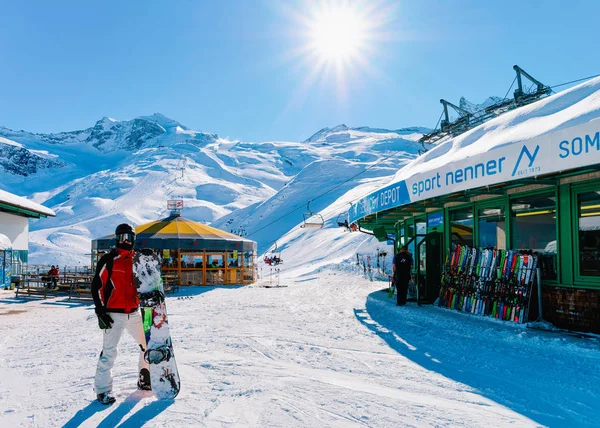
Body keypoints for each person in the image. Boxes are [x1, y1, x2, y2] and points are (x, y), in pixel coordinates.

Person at [91, 223, 151, 405]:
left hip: (134, 313)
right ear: (117, 239)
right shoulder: (109, 260)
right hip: (113, 314)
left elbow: (148, 281)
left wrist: (148, 260)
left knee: (147, 345)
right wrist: (100, 310)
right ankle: (103, 390)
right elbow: (96, 286)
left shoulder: (137, 260)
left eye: (130, 237)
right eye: (122, 237)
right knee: (109, 352)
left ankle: (145, 379)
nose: (126, 241)